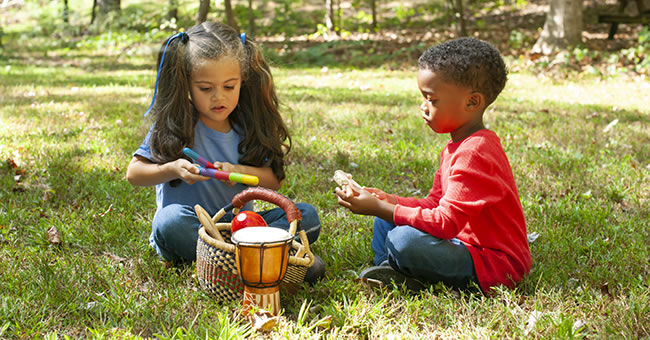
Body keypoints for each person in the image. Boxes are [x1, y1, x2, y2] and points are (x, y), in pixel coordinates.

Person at [126, 22, 323, 281]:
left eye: (229, 87)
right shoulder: (175, 124)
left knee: (306, 215)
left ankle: (230, 264)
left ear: (243, 81)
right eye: (206, 89)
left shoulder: (249, 125)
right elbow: (134, 173)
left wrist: (239, 171)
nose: (218, 97)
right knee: (169, 221)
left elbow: (274, 181)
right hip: (192, 227)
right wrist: (172, 168)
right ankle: (266, 264)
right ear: (187, 84)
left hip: (241, 228)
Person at [335, 37, 531, 294]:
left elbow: (445, 223)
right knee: (385, 219)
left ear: (472, 102)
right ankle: (391, 270)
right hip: (462, 243)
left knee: (403, 239)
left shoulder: (476, 152)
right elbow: (434, 205)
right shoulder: (456, 146)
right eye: (423, 98)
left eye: (432, 100)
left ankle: (399, 268)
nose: (423, 107)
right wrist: (387, 200)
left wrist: (385, 208)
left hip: (493, 264)